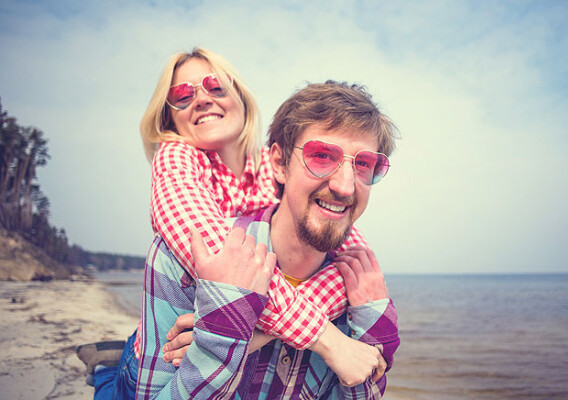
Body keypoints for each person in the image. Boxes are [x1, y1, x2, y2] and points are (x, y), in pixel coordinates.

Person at [76, 48, 380, 398]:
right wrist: (326, 338)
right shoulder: (176, 158)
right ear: (169, 118)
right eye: (182, 95)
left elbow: (347, 247)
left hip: (237, 322)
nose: (202, 99)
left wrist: (247, 334)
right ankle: (109, 368)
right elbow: (221, 263)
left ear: (241, 97)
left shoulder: (269, 166)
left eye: (215, 86)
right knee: (118, 388)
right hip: (159, 349)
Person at [136, 80, 400, 399]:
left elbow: (364, 383)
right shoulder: (179, 261)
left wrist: (376, 324)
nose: (345, 186)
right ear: (278, 163)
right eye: (321, 156)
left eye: (364, 164)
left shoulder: (360, 286)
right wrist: (224, 339)